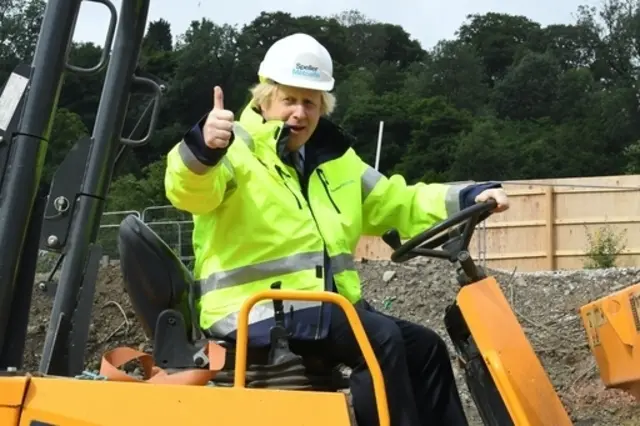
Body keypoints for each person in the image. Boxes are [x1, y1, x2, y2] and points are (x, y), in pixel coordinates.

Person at [164, 32, 509, 426]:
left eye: (309, 102)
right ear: (264, 99)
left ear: (322, 107)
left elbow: (398, 201)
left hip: (321, 308)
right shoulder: (234, 150)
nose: (299, 112)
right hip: (255, 310)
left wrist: (468, 198)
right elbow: (188, 191)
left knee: (425, 348)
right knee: (379, 341)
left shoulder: (335, 161)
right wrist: (202, 149)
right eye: (289, 100)